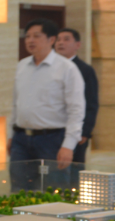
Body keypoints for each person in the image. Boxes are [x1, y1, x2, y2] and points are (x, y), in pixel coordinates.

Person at [11, 19, 85, 191]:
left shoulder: (67, 68)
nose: (30, 40)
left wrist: (68, 145)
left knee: (53, 190)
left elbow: (76, 110)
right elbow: (16, 103)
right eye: (27, 36)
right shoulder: (22, 65)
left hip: (52, 140)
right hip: (21, 139)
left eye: (36, 36)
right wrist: (10, 134)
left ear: (51, 39)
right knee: (19, 190)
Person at [55, 27, 98, 169]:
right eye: (58, 40)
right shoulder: (51, 68)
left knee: (73, 170)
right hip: (54, 131)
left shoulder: (85, 70)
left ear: (77, 45)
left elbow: (91, 103)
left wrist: (85, 132)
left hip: (77, 131)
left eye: (66, 39)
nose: (61, 43)